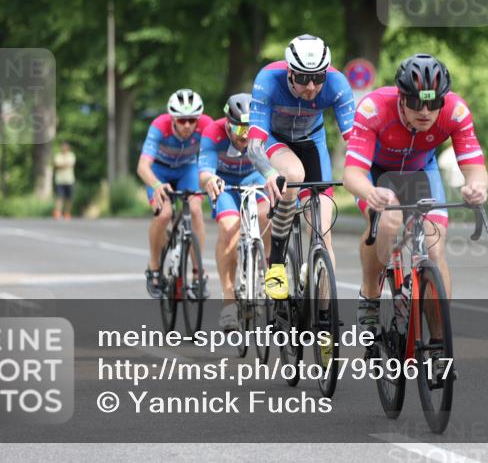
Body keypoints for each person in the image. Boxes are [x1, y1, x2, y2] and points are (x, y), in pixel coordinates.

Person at [342, 54, 488, 330]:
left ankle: (439, 344)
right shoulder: (374, 108)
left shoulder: (455, 112)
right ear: (401, 97)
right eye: (415, 102)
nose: (424, 111)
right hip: (376, 174)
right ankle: (371, 294)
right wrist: (370, 192)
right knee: (387, 222)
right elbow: (351, 175)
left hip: (421, 171)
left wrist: (477, 187)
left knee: (434, 250)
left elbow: (475, 168)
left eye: (433, 103)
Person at [246, 34, 355, 300]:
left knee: (322, 232)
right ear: (289, 71)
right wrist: (270, 173)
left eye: (318, 78)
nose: (310, 86)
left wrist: (364, 177)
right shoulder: (268, 80)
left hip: (311, 142)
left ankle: (325, 324)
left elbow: (356, 141)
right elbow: (254, 145)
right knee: (293, 175)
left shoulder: (337, 83)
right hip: (276, 140)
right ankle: (276, 265)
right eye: (303, 78)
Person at [199, 93, 271, 331]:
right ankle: (229, 302)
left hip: (255, 178)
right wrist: (209, 180)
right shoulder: (213, 131)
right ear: (228, 125)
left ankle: (267, 268)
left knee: (268, 214)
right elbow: (204, 171)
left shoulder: (263, 128)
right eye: (240, 131)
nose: (245, 137)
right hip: (226, 183)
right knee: (228, 229)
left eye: (249, 131)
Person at [137, 89, 213, 299]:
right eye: (181, 120)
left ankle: (198, 274)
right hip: (159, 172)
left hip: (187, 169)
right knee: (164, 214)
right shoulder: (159, 126)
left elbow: (217, 152)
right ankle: (154, 266)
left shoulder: (207, 124)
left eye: (191, 120)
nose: (187, 125)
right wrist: (156, 185)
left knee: (196, 211)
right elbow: (143, 167)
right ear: (172, 118)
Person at [52, 141, 76, 220]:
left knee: (69, 198)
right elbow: (57, 165)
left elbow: (70, 164)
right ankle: (58, 212)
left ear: (68, 148)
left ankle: (67, 213)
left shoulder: (71, 155)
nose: (64, 148)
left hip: (69, 180)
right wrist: (65, 164)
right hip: (60, 180)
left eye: (65, 147)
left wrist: (62, 165)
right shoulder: (58, 155)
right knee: (59, 197)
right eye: (63, 147)